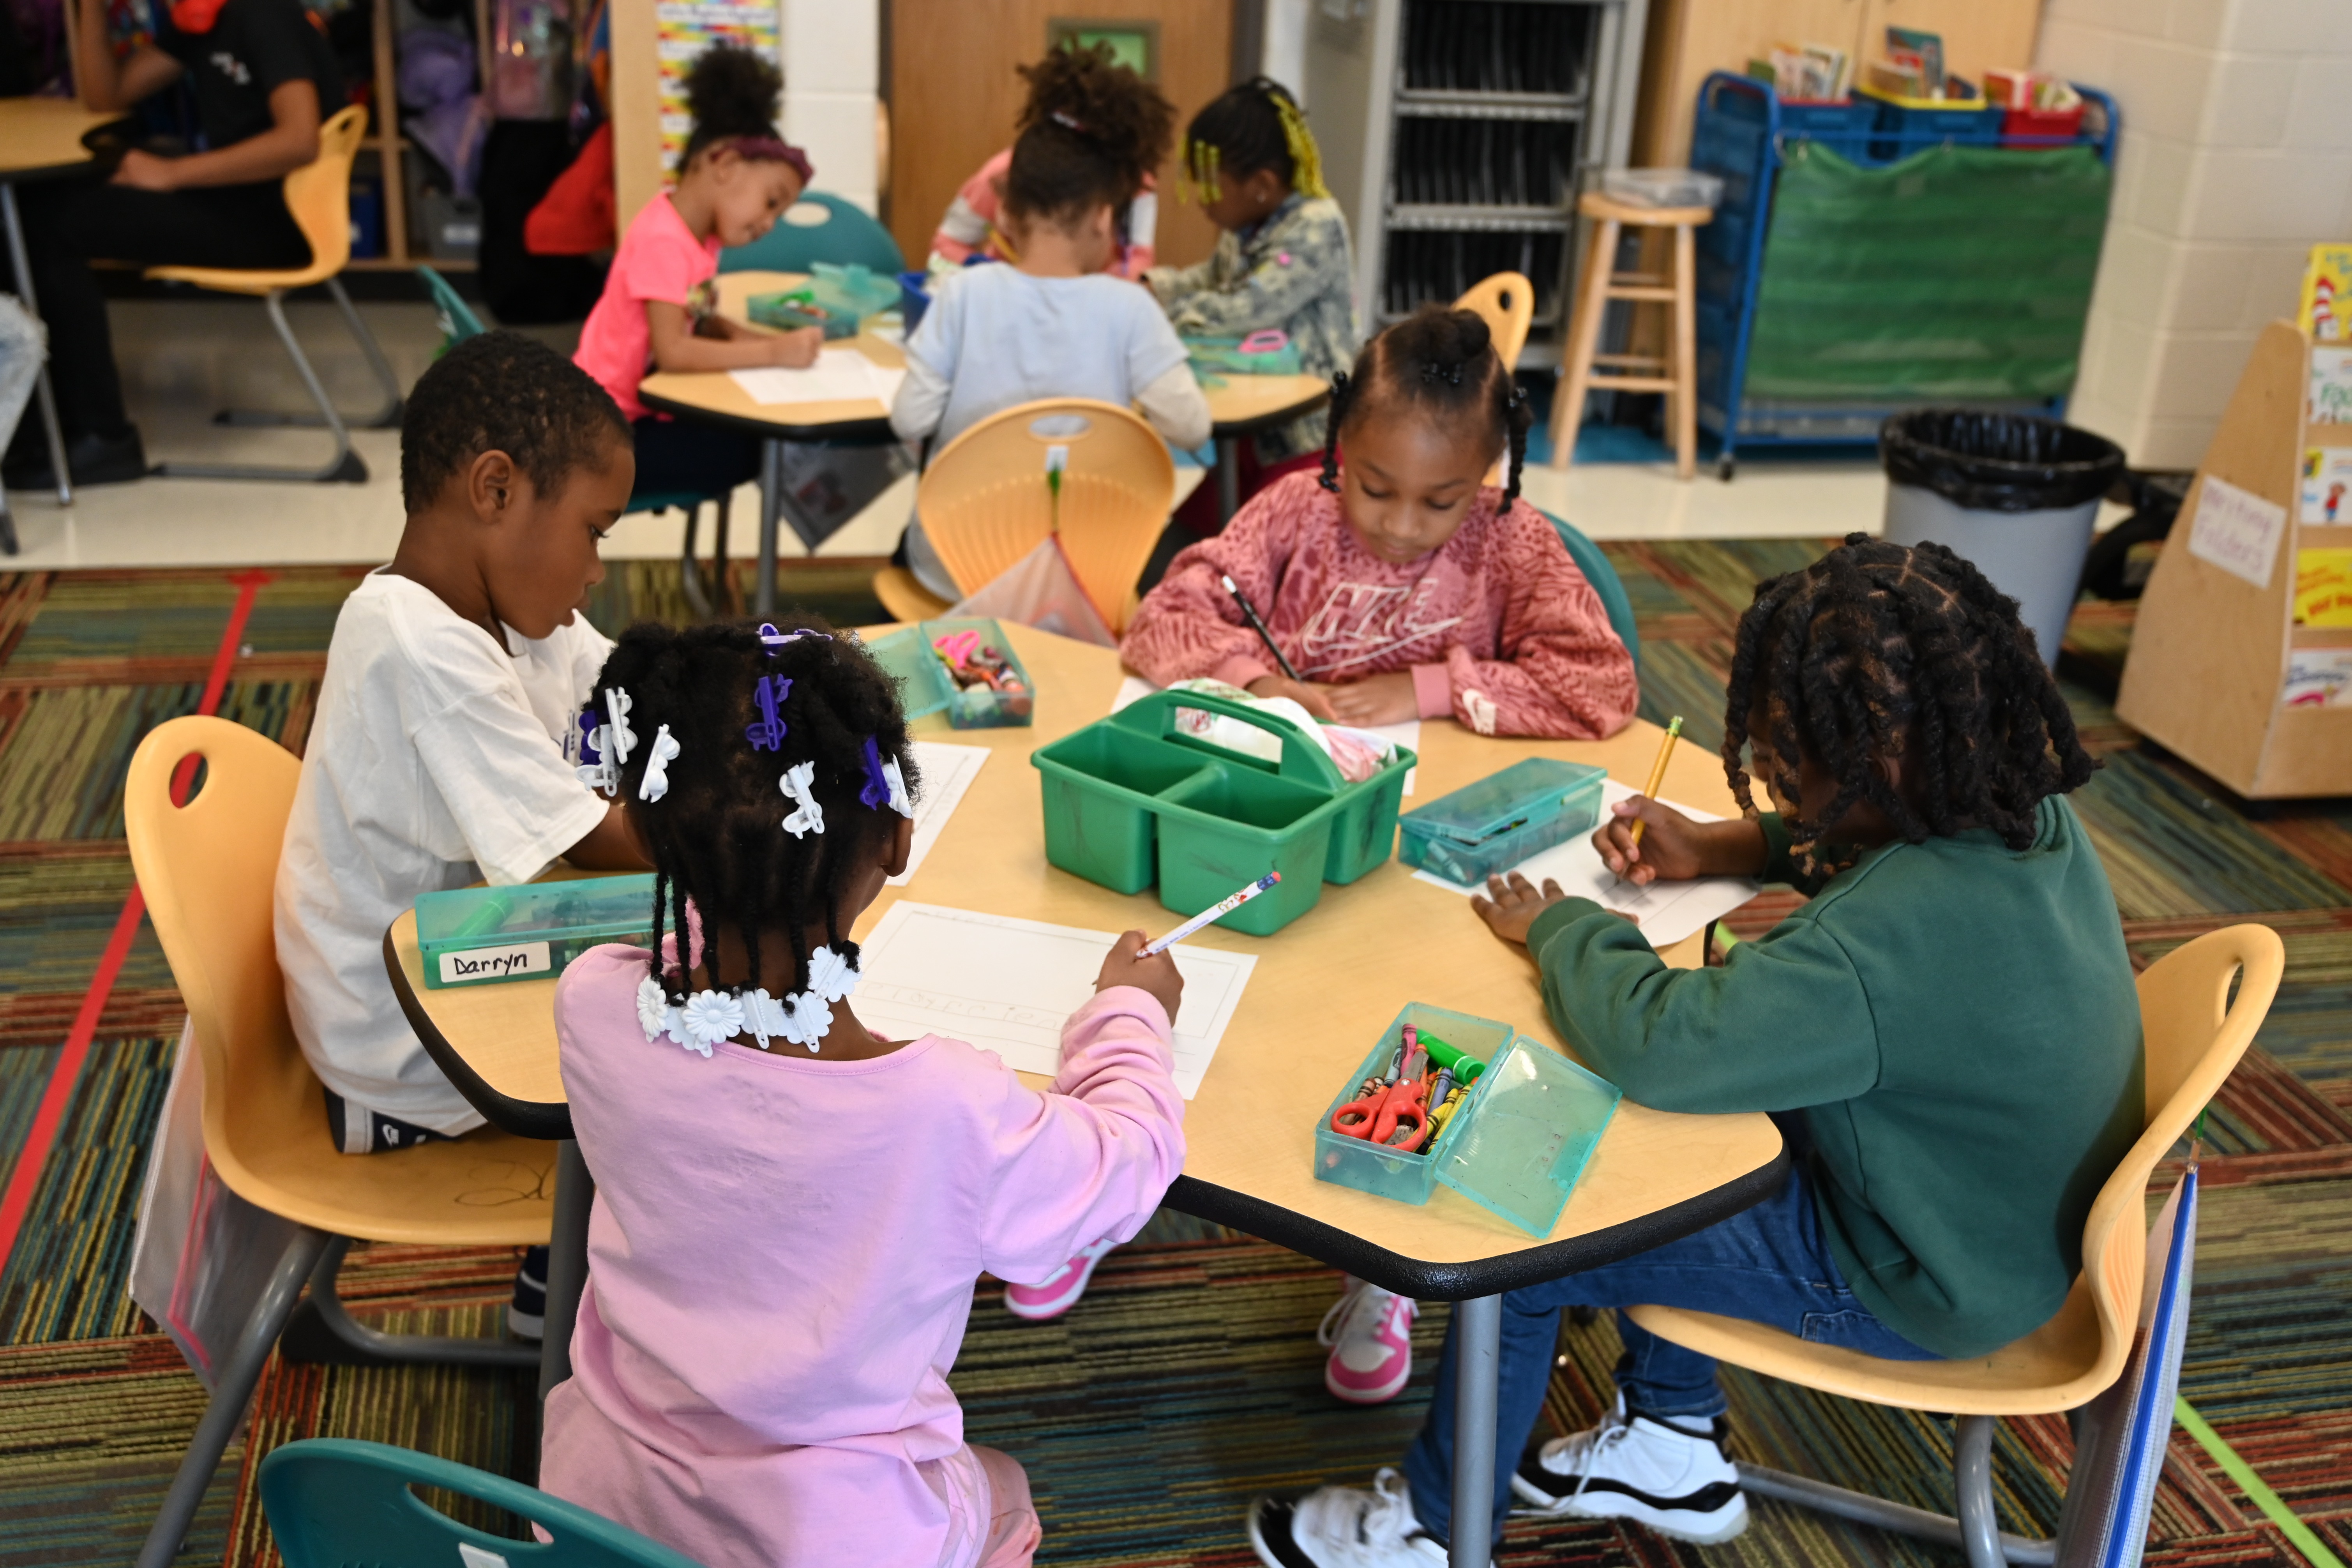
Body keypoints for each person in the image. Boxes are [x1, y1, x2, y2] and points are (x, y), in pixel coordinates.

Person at [1248, 535, 2145, 1566]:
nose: (1772, 781)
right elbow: (1870, 855)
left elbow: (1661, 1046)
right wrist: (1725, 842)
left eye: (1786, 764)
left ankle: (1432, 1525)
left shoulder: (1869, 955)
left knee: (1520, 1255)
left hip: (1911, 1276)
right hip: (1996, 1213)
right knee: (1700, 1129)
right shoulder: (2014, 804)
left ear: (1871, 768)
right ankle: (1672, 1437)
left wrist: (1561, 930)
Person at [535, 616, 1187, 1568]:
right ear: (895, 837)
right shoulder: (943, 1106)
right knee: (1001, 1487)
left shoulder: (591, 1003)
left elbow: (684, 978)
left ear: (646, 831)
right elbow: (1122, 1168)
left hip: (603, 1497)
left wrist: (725, 875)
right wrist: (1130, 1013)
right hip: (833, 1534)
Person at [274, 332, 647, 1328]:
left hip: (448, 959)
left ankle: (564, 1270)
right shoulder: (421, 645)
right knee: (704, 1033)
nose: (597, 569)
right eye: (594, 530)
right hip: (398, 1042)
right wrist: (762, 821)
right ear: (495, 490)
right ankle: (568, 1290)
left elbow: (631, 692)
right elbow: (596, 844)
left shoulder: (512, 617)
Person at [1123, 306, 1637, 739]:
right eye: (1374, 489)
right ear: (1344, 439)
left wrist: (1430, 689)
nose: (1401, 526)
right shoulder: (1295, 510)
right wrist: (1253, 682)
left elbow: (1603, 687)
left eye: (1440, 503)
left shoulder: (1511, 540)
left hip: (1444, 793)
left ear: (1486, 470)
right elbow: (1163, 620)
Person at [3, 0, 347, 489]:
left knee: (56, 226)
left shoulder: (261, 15)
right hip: (239, 206)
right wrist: (92, 10)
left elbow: (299, 140)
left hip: (279, 222)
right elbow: (107, 96)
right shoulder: (199, 19)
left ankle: (103, 437)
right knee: (43, 209)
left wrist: (170, 175)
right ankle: (42, 426)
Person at [891, 73, 1205, 602]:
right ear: (1106, 218)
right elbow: (1192, 429)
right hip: (1087, 574)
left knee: (910, 543)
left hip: (958, 569)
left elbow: (910, 419)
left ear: (1007, 215)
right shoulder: (1131, 310)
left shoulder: (961, 295)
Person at [572, 44, 819, 508]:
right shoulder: (665, 241)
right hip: (603, 435)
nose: (768, 225)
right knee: (751, 448)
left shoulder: (700, 239)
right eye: (771, 201)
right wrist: (773, 352)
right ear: (724, 165)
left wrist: (736, 335)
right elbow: (675, 350)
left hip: (639, 411)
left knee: (749, 433)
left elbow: (699, 318)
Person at [1147, 77, 1358, 520]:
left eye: (1208, 184)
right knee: (1181, 544)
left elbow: (1246, 310)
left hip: (1310, 440)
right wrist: (1154, 285)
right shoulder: (1244, 227)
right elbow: (1211, 279)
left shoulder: (1316, 227)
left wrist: (1149, 313)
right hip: (1254, 437)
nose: (1200, 200)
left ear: (1261, 184)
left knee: (1244, 551)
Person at [928, 42, 1173, 282]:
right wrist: (995, 279)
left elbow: (1140, 259)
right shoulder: (1003, 174)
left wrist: (1096, 293)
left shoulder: (1136, 183)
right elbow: (946, 246)